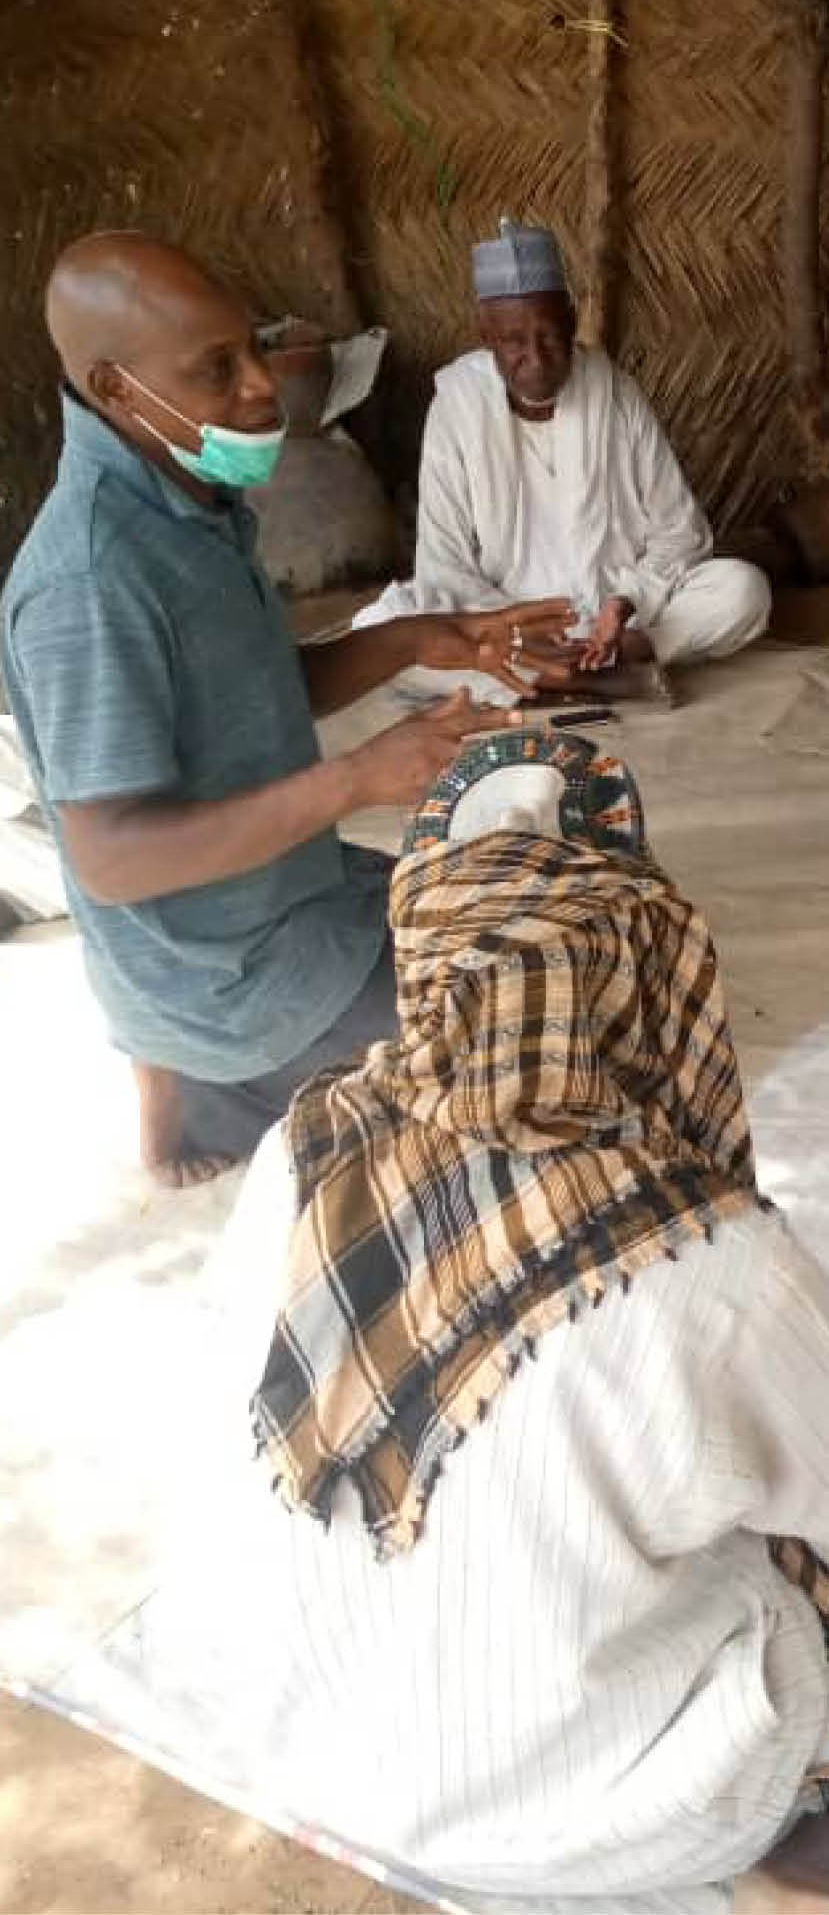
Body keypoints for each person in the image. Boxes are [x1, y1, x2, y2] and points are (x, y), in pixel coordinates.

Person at [207, 739, 829, 1915]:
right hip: (604, 1816)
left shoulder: (301, 1146)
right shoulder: (709, 1257)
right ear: (638, 967)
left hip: (315, 1753)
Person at [0, 231, 577, 1186]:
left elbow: (250, 699)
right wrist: (357, 777)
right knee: (547, 1031)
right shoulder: (92, 582)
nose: (262, 387)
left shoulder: (186, 499)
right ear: (113, 388)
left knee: (543, 907)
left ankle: (209, 1076)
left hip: (294, 905)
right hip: (238, 980)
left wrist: (419, 638)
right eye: (216, 368)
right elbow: (109, 857)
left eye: (252, 350)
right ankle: (225, 1083)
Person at [355, 219, 771, 693]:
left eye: (550, 336)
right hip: (506, 629)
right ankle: (582, 674)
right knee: (376, 630)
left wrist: (624, 602)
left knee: (743, 590)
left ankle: (620, 656)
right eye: (514, 341)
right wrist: (517, 629)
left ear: (571, 324)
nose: (535, 356)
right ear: (486, 335)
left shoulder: (614, 394)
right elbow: (443, 566)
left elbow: (680, 531)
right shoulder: (457, 405)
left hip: (617, 617)